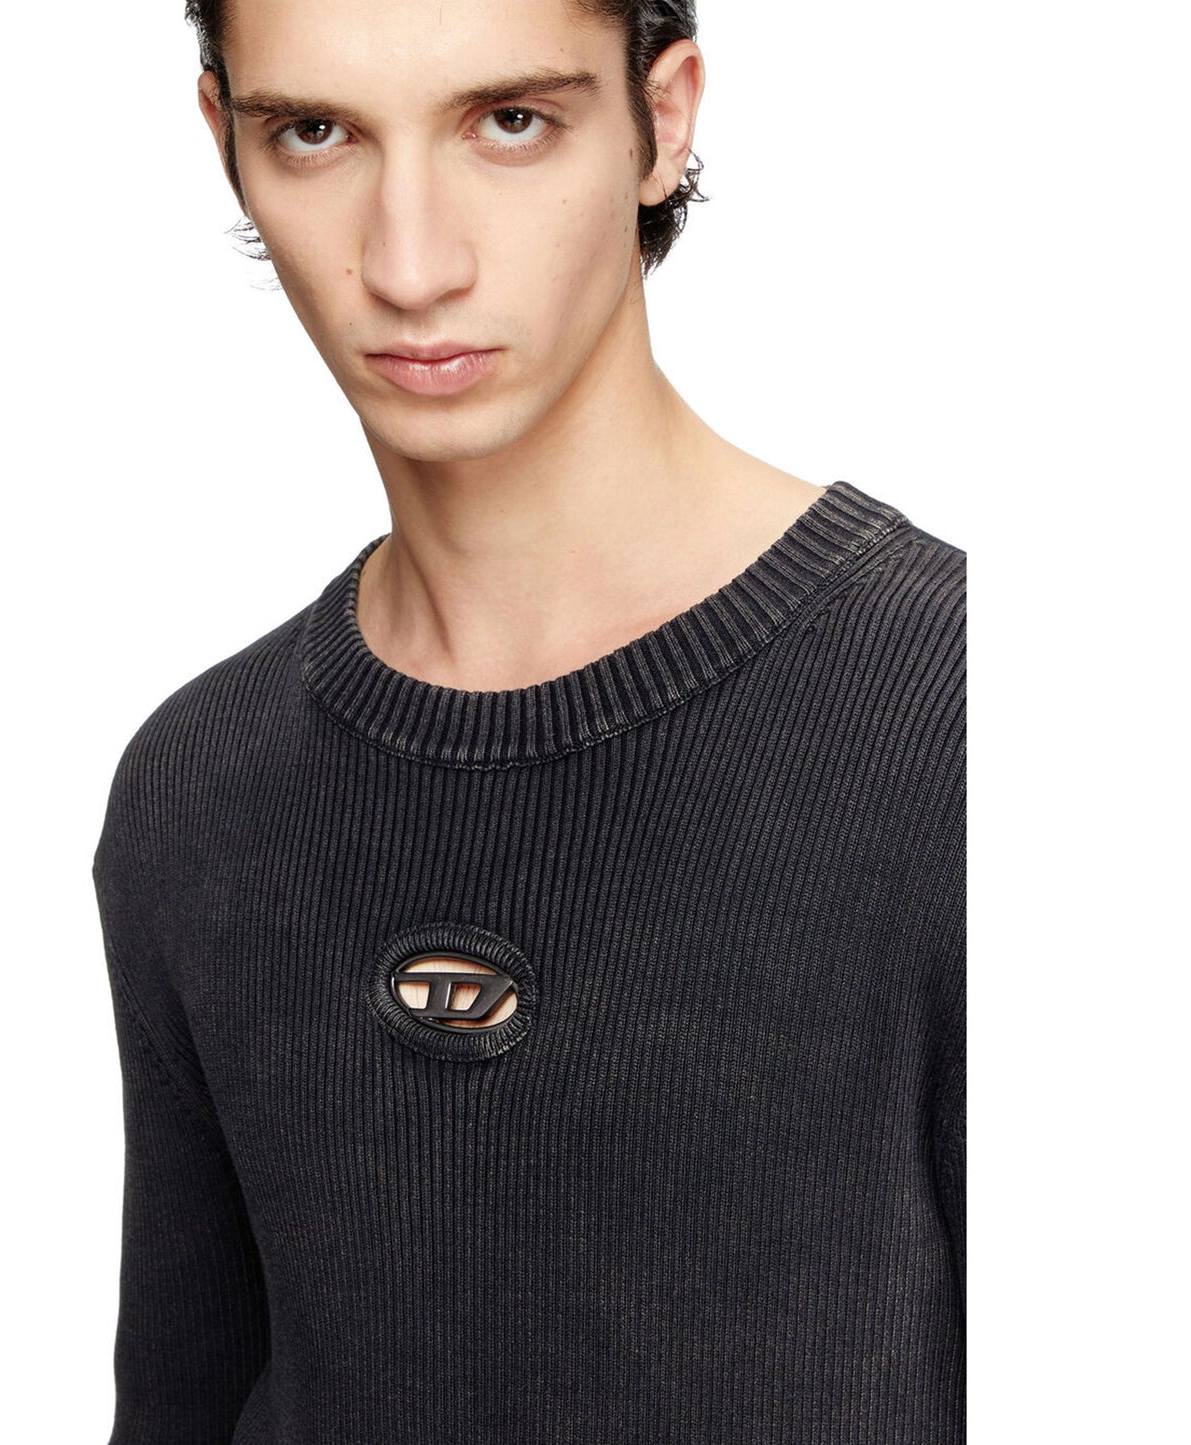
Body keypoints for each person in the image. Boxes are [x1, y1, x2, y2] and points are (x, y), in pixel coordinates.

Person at [93, 0, 966, 1440]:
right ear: (226, 144)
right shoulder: (198, 786)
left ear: (661, 120)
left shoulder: (973, 725)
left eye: (510, 123)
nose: (410, 264)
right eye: (315, 133)